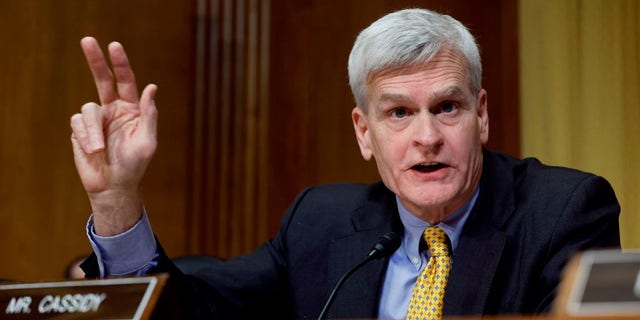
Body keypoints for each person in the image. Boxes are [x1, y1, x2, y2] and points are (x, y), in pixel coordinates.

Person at [69, 8, 621, 319]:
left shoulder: (562, 212)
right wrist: (116, 199)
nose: (426, 137)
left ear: (481, 116)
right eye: (399, 113)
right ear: (365, 132)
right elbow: (192, 315)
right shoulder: (322, 221)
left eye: (447, 107)